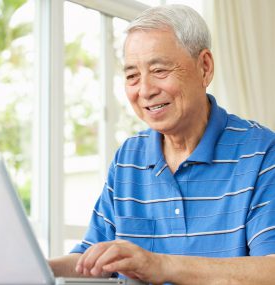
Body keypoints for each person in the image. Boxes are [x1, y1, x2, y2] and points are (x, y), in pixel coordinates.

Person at [49, 4, 275, 284]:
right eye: (132, 75)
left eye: (159, 70)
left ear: (204, 67)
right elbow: (93, 260)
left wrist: (161, 265)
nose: (144, 90)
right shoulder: (127, 159)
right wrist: (35, 266)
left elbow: (271, 269)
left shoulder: (262, 153)